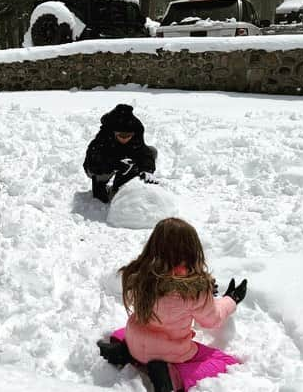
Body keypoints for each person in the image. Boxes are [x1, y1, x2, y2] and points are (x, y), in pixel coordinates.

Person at [119, 218, 248, 392]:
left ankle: (122, 350)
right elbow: (212, 320)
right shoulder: (193, 290)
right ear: (191, 250)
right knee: (226, 362)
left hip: (134, 342)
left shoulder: (139, 275)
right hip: (169, 351)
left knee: (133, 330)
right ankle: (173, 377)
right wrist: (230, 300)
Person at [83, 104, 158, 203]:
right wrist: (114, 164)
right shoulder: (102, 139)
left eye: (128, 135)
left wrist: (147, 170)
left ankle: (120, 185)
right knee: (100, 199)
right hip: (102, 167)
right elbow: (93, 163)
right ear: (114, 132)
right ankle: (100, 185)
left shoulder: (136, 134)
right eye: (121, 135)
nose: (125, 139)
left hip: (124, 164)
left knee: (152, 151)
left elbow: (144, 154)